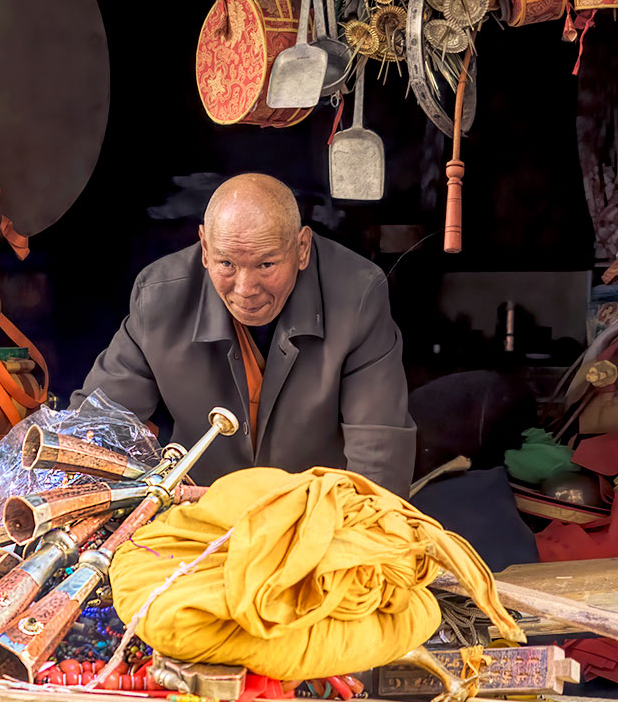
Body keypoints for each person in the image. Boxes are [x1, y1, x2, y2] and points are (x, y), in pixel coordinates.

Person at [71, 173, 416, 495]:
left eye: (266, 265)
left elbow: (378, 453)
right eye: (226, 264)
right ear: (205, 248)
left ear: (302, 248)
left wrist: (357, 538)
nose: (246, 288)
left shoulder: (356, 294)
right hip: (197, 513)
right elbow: (95, 429)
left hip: (316, 513)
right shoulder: (160, 297)